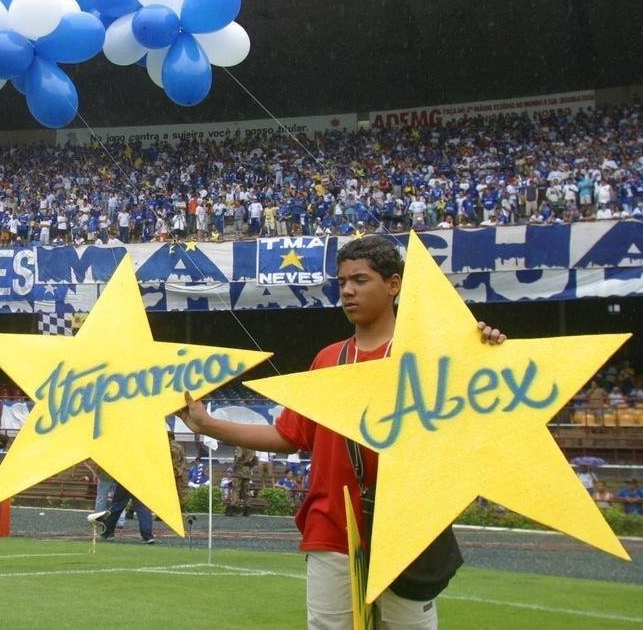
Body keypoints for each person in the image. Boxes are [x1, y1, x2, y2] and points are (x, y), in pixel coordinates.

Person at [181, 235, 506, 630]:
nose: (348, 290)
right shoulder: (328, 359)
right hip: (332, 525)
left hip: (408, 529)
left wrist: (491, 354)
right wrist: (207, 424)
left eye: (361, 279)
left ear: (394, 284)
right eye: (342, 282)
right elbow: (290, 436)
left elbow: (486, 419)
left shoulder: (433, 357)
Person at [89, 480, 156, 544]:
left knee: (116, 506)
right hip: (140, 482)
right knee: (143, 509)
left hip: (124, 480)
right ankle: (147, 536)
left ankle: (107, 532)